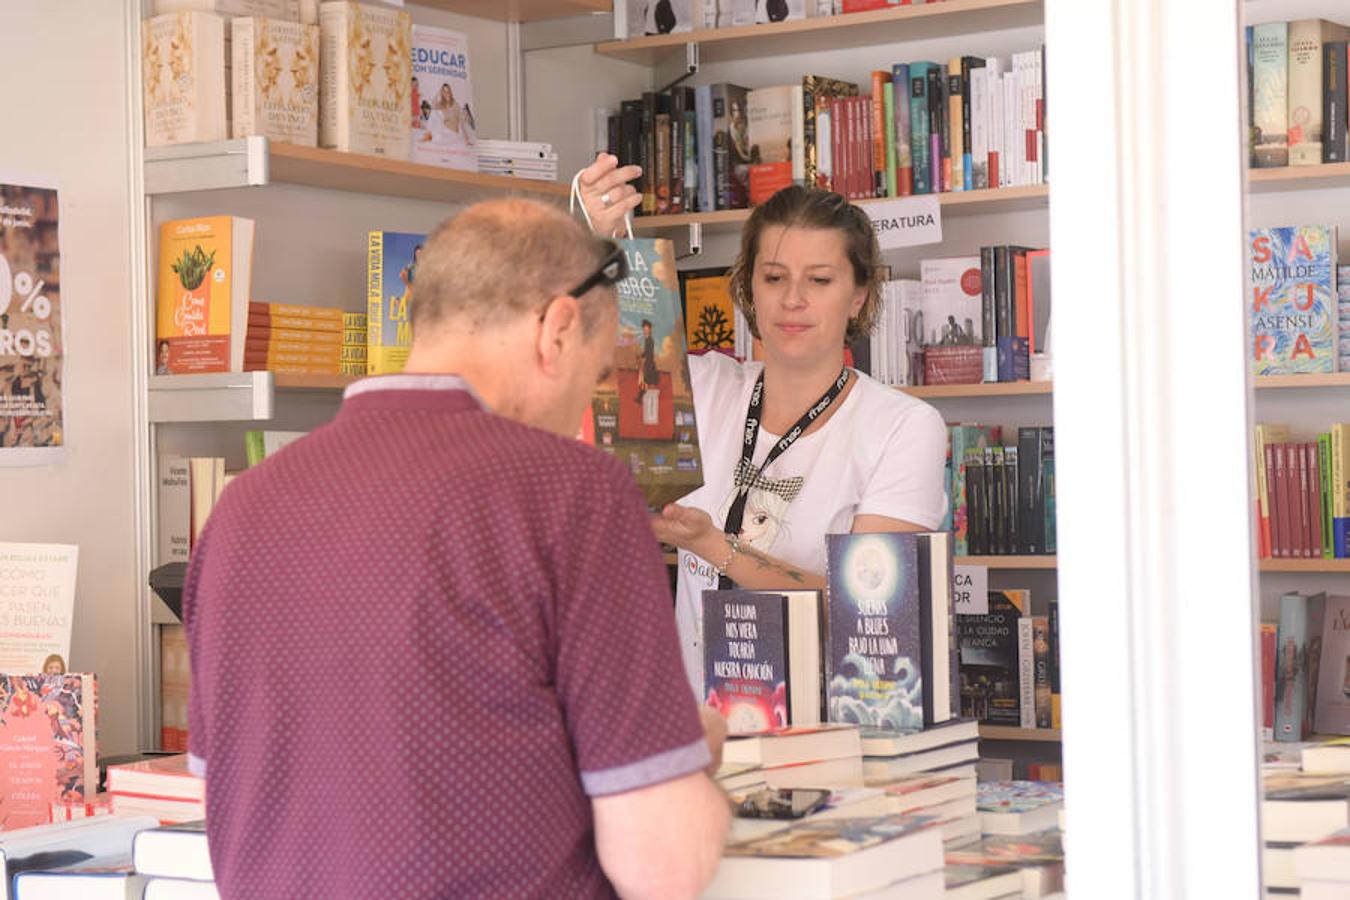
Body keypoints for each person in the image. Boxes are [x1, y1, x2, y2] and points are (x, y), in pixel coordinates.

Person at [183, 198, 729, 899]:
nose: (585, 414)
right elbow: (664, 865)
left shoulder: (241, 508)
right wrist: (684, 763)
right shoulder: (573, 491)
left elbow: (238, 791)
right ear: (557, 328)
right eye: (594, 378)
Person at [577, 158, 948, 696]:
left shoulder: (904, 427)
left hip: (837, 741)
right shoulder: (702, 387)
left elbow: (870, 619)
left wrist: (712, 545)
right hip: (705, 733)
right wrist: (593, 243)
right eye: (774, 277)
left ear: (859, 295)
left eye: (819, 280)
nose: (792, 299)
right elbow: (572, 351)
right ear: (748, 286)